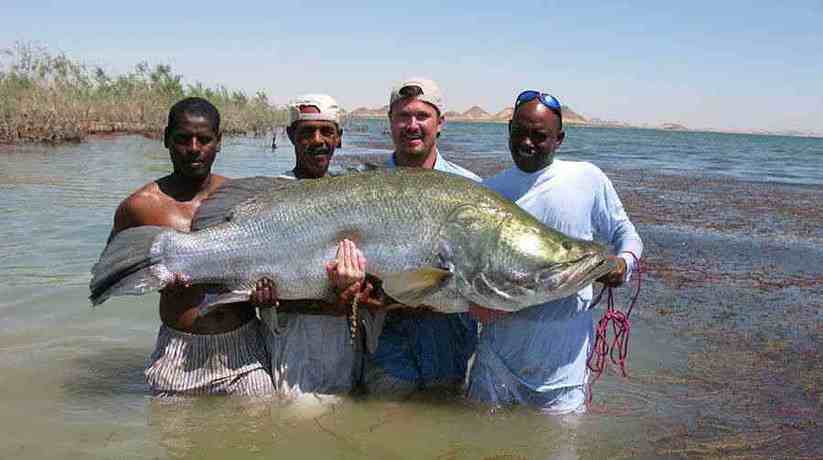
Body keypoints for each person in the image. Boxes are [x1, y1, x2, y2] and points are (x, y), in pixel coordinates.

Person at [466, 90, 644, 413]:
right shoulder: (489, 192)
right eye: (520, 133)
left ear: (559, 139)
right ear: (508, 130)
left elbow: (626, 234)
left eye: (539, 135)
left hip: (563, 372)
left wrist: (623, 264)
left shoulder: (586, 179)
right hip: (496, 363)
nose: (527, 142)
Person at [109, 97, 273, 396]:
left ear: (219, 142)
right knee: (176, 439)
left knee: (257, 433)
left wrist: (267, 294)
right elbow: (112, 272)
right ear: (166, 140)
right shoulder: (139, 208)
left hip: (245, 351)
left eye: (204, 139)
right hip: (179, 349)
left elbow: (269, 263)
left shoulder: (243, 199)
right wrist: (157, 281)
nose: (194, 148)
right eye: (183, 139)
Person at [363, 77, 481, 396]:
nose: (411, 125)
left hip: (451, 352)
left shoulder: (473, 190)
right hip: (386, 352)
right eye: (403, 116)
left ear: (440, 123)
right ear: (390, 121)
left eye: (422, 116)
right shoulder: (360, 187)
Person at [259, 94, 379, 399]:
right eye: (306, 132)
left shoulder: (356, 193)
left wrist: (356, 292)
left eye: (327, 131)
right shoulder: (270, 196)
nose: (317, 140)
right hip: (294, 342)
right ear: (290, 137)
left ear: (339, 138)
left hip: (349, 342)